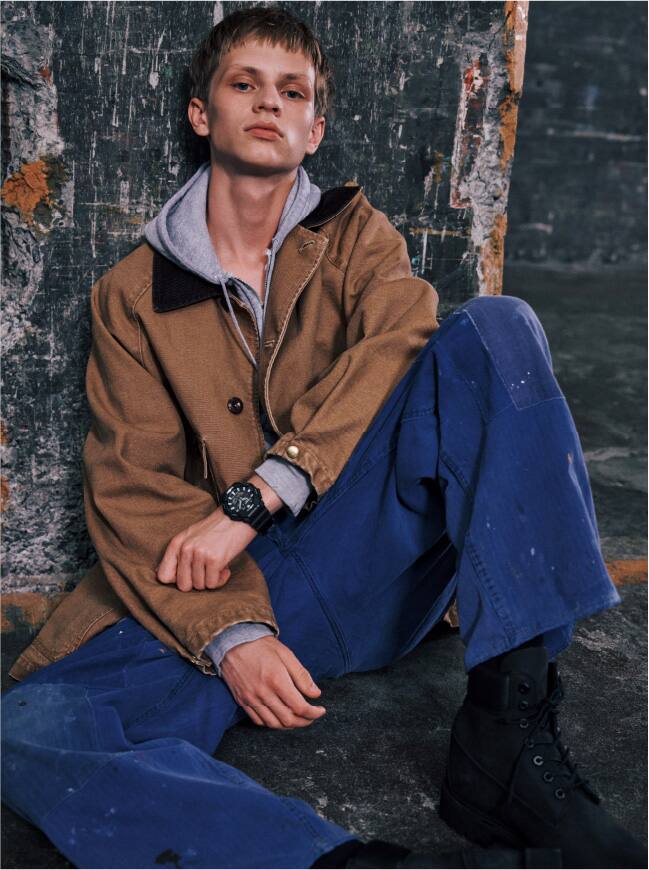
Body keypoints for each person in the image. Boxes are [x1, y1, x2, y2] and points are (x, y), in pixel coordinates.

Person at [1, 7, 645, 869]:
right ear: (203, 114)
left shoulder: (354, 237)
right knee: (30, 730)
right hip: (236, 590)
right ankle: (340, 865)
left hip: (368, 557)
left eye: (291, 91)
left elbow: (402, 343)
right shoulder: (133, 295)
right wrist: (234, 635)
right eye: (244, 85)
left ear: (314, 129)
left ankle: (508, 737)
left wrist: (263, 489)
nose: (268, 104)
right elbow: (132, 485)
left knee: (496, 329)